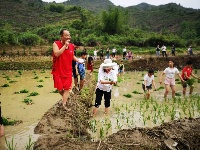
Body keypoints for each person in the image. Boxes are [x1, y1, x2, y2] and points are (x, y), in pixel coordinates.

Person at [52, 29, 80, 109]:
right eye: (66, 35)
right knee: (60, 89)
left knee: (67, 88)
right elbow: (57, 54)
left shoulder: (71, 46)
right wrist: (65, 46)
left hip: (68, 71)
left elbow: (71, 55)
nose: (68, 37)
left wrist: (77, 60)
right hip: (58, 70)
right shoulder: (56, 44)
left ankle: (64, 104)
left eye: (69, 35)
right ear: (61, 36)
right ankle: (66, 98)